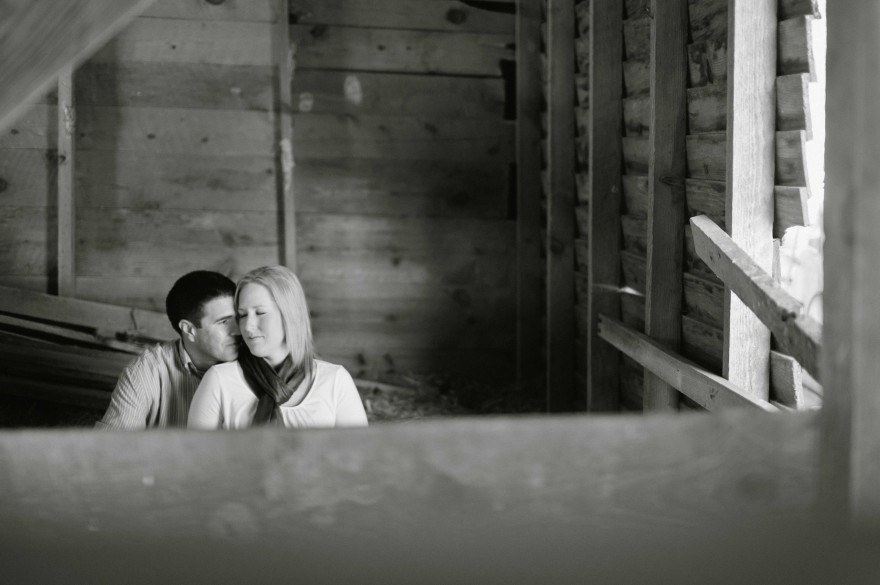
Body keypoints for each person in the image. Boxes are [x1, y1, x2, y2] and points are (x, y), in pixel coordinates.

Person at [188, 265, 368, 429]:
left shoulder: (334, 381)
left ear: (290, 315)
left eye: (260, 313)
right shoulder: (220, 380)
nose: (248, 326)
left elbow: (361, 458)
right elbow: (193, 458)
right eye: (242, 315)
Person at [96, 271, 240, 429]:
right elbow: (111, 448)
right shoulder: (147, 371)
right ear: (189, 330)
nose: (238, 330)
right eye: (224, 322)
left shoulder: (259, 360)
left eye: (239, 317)